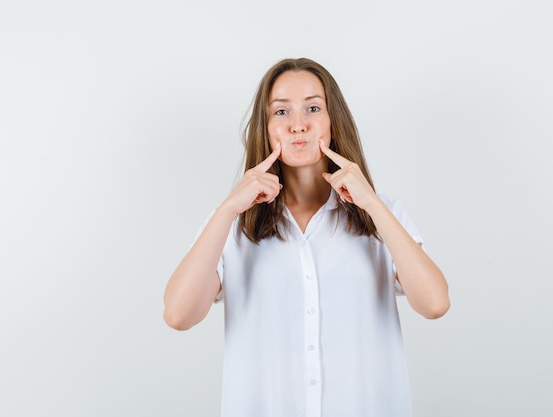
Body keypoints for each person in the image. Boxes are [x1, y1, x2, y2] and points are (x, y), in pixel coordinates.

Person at [163, 57, 450, 417]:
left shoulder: (381, 214)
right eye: (281, 112)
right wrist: (227, 210)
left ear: (333, 121)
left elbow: (435, 303)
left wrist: (372, 204)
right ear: (265, 128)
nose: (298, 125)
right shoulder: (234, 225)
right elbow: (178, 314)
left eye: (313, 108)